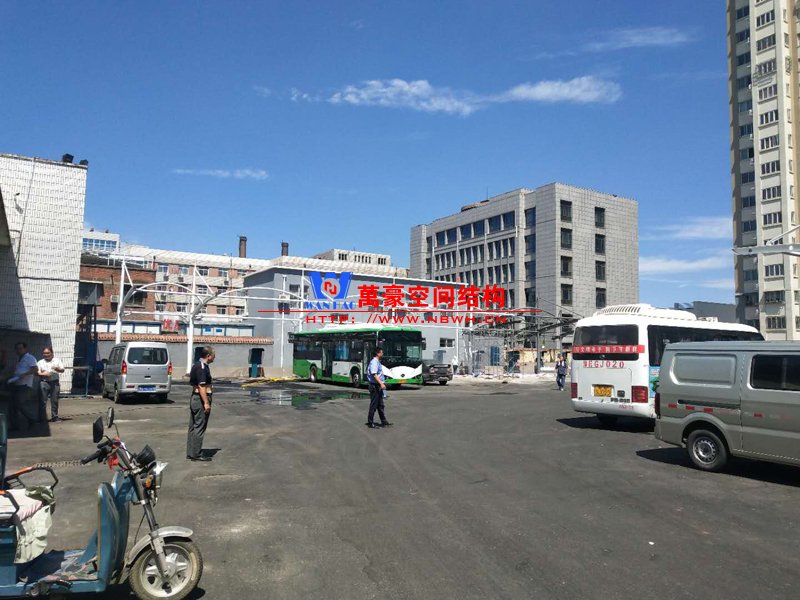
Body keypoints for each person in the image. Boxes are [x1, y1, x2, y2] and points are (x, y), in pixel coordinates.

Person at [3, 343, 40, 430]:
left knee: (19, 403)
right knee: (12, 405)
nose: (18, 350)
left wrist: (25, 374)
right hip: (16, 383)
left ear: (25, 349)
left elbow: (35, 369)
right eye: (17, 349)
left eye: (20, 348)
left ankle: (32, 419)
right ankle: (14, 426)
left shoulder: (30, 358)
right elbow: (15, 371)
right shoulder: (18, 359)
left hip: (24, 384)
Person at [186, 346, 215, 461]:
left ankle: (191, 452)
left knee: (193, 426)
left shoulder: (197, 365)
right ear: (208, 356)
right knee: (199, 426)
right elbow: (201, 386)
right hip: (200, 399)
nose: (214, 358)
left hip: (195, 398)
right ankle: (196, 454)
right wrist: (206, 403)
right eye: (213, 356)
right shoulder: (202, 367)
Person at [37, 347, 65, 422]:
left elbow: (62, 370)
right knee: (42, 401)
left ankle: (55, 416)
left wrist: (57, 369)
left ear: (52, 353)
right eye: (44, 353)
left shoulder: (57, 360)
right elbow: (37, 373)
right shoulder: (40, 362)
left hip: (54, 382)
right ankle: (42, 418)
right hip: (44, 382)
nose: (46, 355)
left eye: (48, 353)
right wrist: (44, 374)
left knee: (54, 400)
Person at [366, 347, 391, 429]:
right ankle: (370, 423)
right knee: (374, 405)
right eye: (382, 352)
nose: (382, 354)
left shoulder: (377, 362)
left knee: (380, 405)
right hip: (374, 386)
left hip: (378, 385)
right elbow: (374, 374)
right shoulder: (374, 362)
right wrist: (381, 383)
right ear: (378, 353)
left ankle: (383, 421)